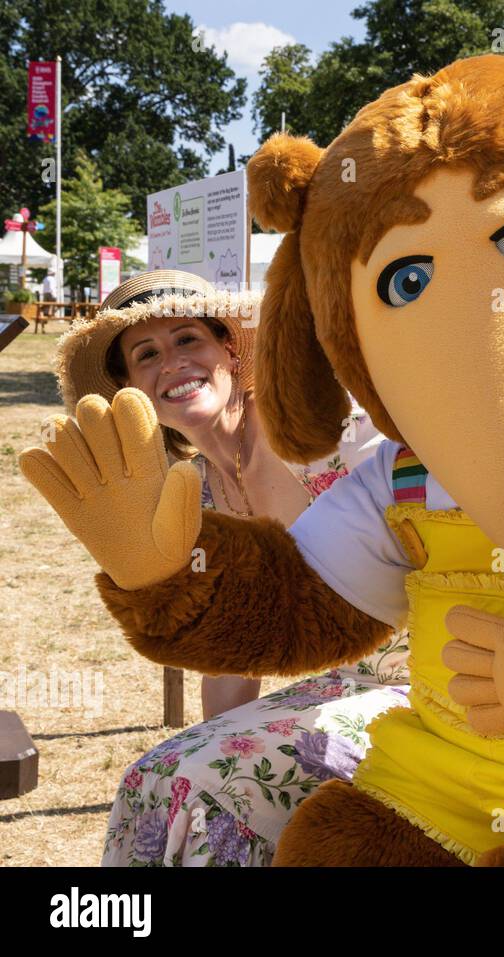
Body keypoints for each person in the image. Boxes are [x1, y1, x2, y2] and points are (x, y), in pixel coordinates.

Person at [52, 270, 410, 866]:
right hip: (344, 688)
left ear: (230, 349)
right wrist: (208, 739)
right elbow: (236, 655)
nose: (172, 363)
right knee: (155, 775)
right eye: (147, 354)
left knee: (205, 787)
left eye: (188, 339)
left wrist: (211, 756)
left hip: (429, 684)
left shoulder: (318, 429)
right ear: (130, 391)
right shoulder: (195, 496)